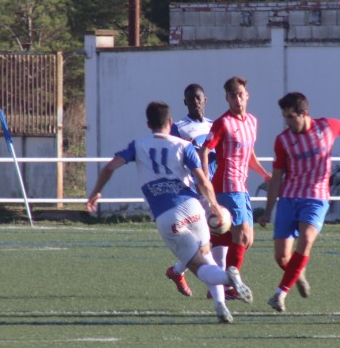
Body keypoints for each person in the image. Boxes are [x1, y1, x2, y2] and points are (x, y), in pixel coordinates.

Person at [86, 101, 253, 323]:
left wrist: (96, 192)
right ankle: (220, 306)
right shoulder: (183, 146)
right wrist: (213, 204)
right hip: (193, 206)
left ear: (148, 124)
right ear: (170, 122)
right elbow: (202, 179)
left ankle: (227, 277)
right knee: (207, 259)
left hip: (167, 215)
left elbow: (109, 167)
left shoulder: (138, 145)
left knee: (198, 267)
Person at [257, 91, 340, 313]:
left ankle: (280, 294)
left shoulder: (327, 127)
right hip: (289, 198)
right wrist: (268, 210)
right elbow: (277, 176)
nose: (287, 122)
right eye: (285, 117)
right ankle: (297, 273)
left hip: (316, 197)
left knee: (306, 239)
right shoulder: (283, 141)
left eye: (291, 117)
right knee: (281, 258)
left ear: (304, 113)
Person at [200, 76, 272, 301]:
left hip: (242, 186)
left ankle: (196, 260)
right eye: (233, 96)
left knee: (243, 240)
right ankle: (230, 285)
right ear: (227, 98)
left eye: (241, 94)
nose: (238, 99)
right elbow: (204, 150)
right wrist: (205, 179)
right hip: (227, 185)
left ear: (247, 95)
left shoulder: (252, 121)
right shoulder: (222, 123)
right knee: (242, 236)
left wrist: (263, 174)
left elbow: (249, 153)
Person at [165, 83, 215, 298]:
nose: (196, 101)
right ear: (185, 102)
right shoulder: (179, 128)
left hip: (214, 188)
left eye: (199, 97)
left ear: (206, 100)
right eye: (191, 98)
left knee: (209, 238)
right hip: (193, 190)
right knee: (204, 240)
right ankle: (218, 286)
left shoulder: (215, 125)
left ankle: (178, 271)